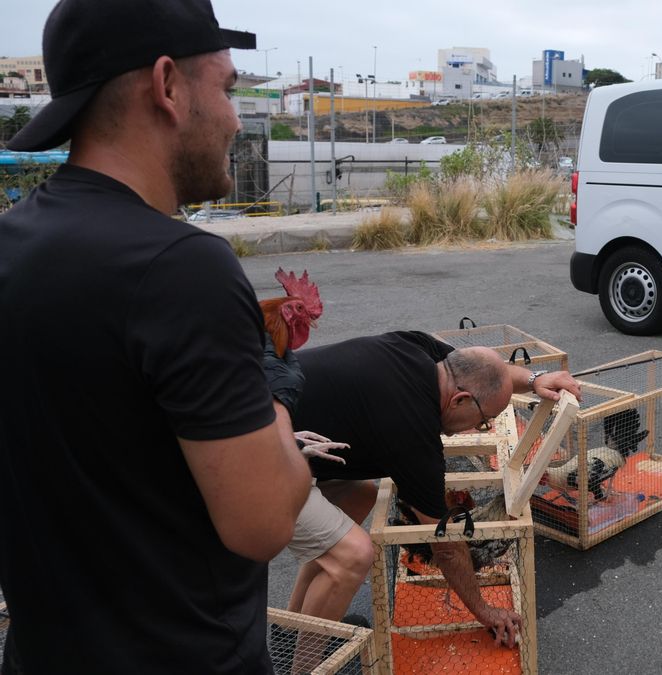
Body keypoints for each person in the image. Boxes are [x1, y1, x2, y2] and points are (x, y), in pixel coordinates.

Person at [0, 1, 312, 673]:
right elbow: (264, 523)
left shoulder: (12, 244)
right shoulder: (182, 268)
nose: (234, 117)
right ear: (167, 85)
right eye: (227, 88)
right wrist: (278, 390)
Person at [283, 332, 580, 665]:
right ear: (460, 401)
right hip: (256, 461)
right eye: (482, 422)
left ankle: (292, 627)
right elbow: (445, 544)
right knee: (352, 556)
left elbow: (486, 370)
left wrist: (535, 378)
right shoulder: (414, 433)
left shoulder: (422, 353)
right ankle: (304, 667)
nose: (478, 428)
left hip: (274, 425)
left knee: (358, 498)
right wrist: (484, 611)